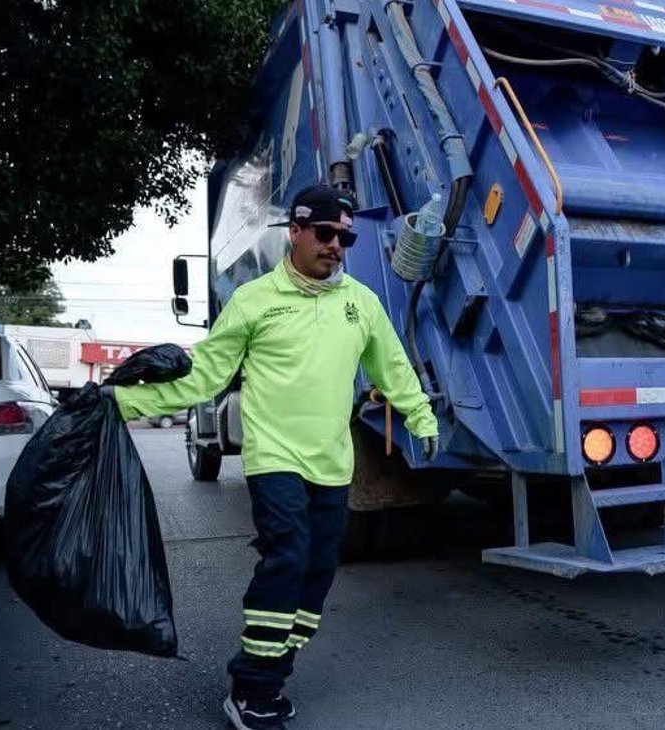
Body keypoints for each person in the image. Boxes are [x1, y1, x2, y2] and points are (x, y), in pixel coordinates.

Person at [105, 185, 439, 730]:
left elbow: (393, 369)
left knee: (316, 575)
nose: (336, 245)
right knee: (285, 561)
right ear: (297, 231)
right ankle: (253, 689)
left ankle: (268, 671)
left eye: (345, 237)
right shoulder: (254, 300)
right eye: (326, 233)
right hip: (275, 460)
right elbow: (206, 375)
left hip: (332, 465)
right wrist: (123, 401)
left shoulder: (361, 302)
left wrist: (421, 418)